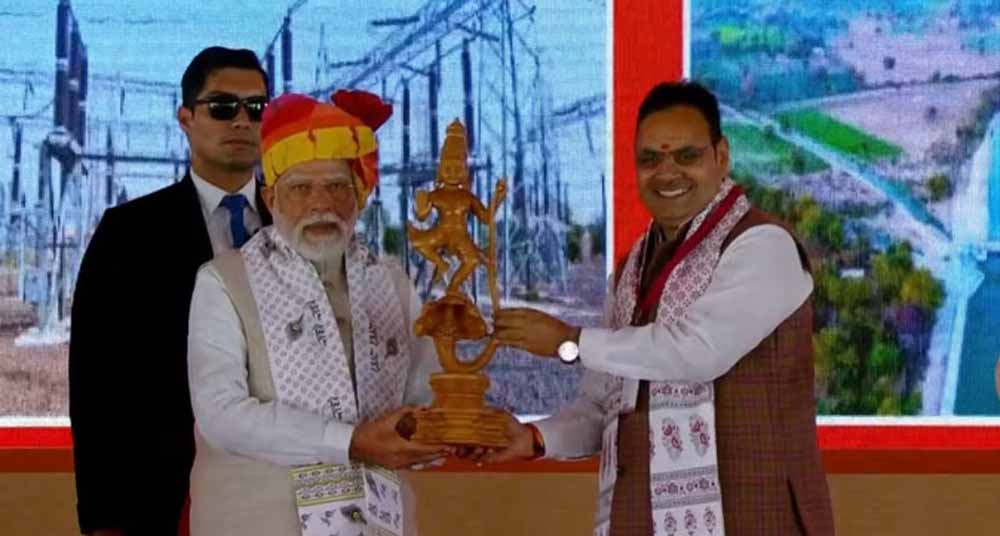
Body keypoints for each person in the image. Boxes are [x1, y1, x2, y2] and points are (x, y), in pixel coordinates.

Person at [490, 81, 835, 535]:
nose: (667, 173)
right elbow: (604, 408)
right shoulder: (631, 271)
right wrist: (535, 438)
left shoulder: (763, 246)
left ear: (722, 156)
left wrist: (569, 342)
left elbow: (697, 352)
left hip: (756, 517)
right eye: (650, 159)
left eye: (687, 156)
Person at [186, 90, 448, 536]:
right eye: (301, 188)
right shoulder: (223, 281)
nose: (321, 204)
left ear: (360, 195)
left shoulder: (392, 283)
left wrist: (442, 430)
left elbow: (427, 393)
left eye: (337, 187)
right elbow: (221, 414)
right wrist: (351, 442)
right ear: (271, 197)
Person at [69, 46, 271, 536]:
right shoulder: (128, 233)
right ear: (186, 118)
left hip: (284, 493)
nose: (241, 121)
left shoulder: (299, 229)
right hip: (163, 497)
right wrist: (104, 518)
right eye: (222, 107)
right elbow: (95, 383)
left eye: (256, 108)